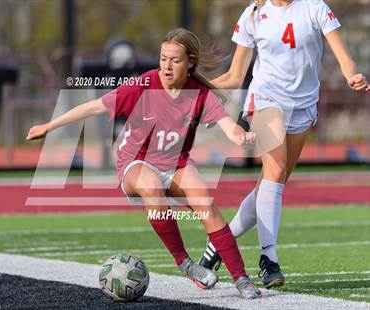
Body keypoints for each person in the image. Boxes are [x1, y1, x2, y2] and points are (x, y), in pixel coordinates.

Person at [26, 28, 262, 299]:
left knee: (205, 203)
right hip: (136, 162)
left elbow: (228, 127)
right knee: (151, 187)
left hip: (177, 164)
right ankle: (185, 264)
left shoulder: (200, 94)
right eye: (163, 58)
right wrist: (50, 125)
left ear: (190, 63)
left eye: (175, 60)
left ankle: (241, 279)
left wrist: (241, 136)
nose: (167, 65)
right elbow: (93, 107)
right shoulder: (145, 85)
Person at [199, 0, 370, 289]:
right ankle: (269, 259)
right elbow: (235, 75)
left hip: (304, 103)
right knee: (275, 172)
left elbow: (343, 56)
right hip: (266, 97)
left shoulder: (315, 7)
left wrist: (351, 74)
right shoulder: (253, 14)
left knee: (271, 183)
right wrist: (199, 91)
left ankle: (220, 240)